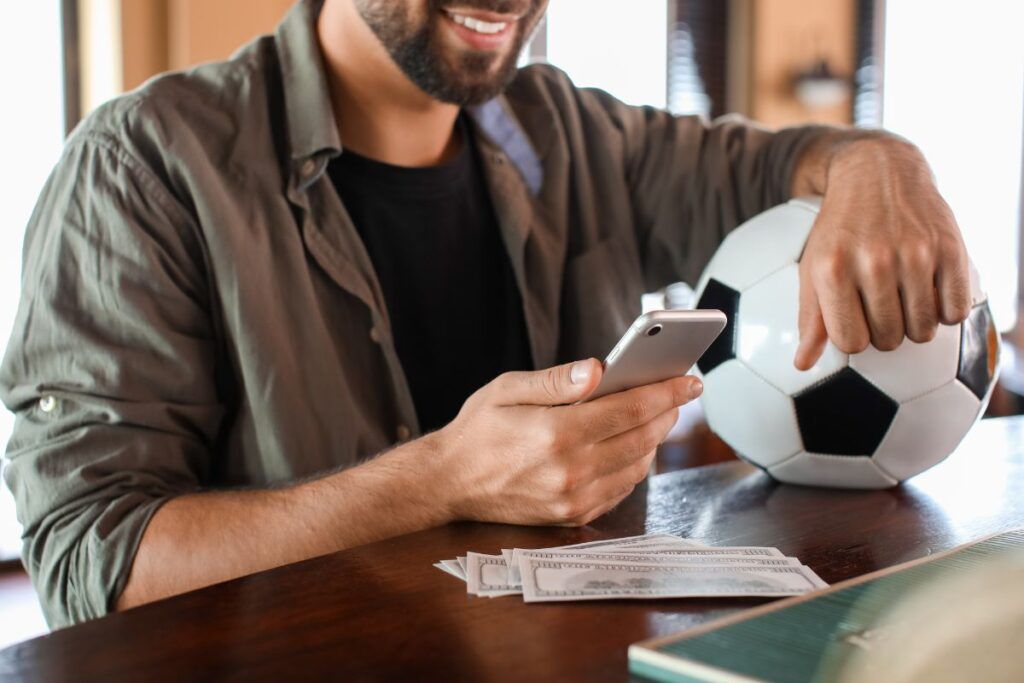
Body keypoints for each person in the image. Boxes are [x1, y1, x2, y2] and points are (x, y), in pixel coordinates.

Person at [0, 0, 970, 628]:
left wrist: (882, 162)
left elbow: (784, 162)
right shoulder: (144, 165)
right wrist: (435, 480)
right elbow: (95, 561)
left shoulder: (569, 130)